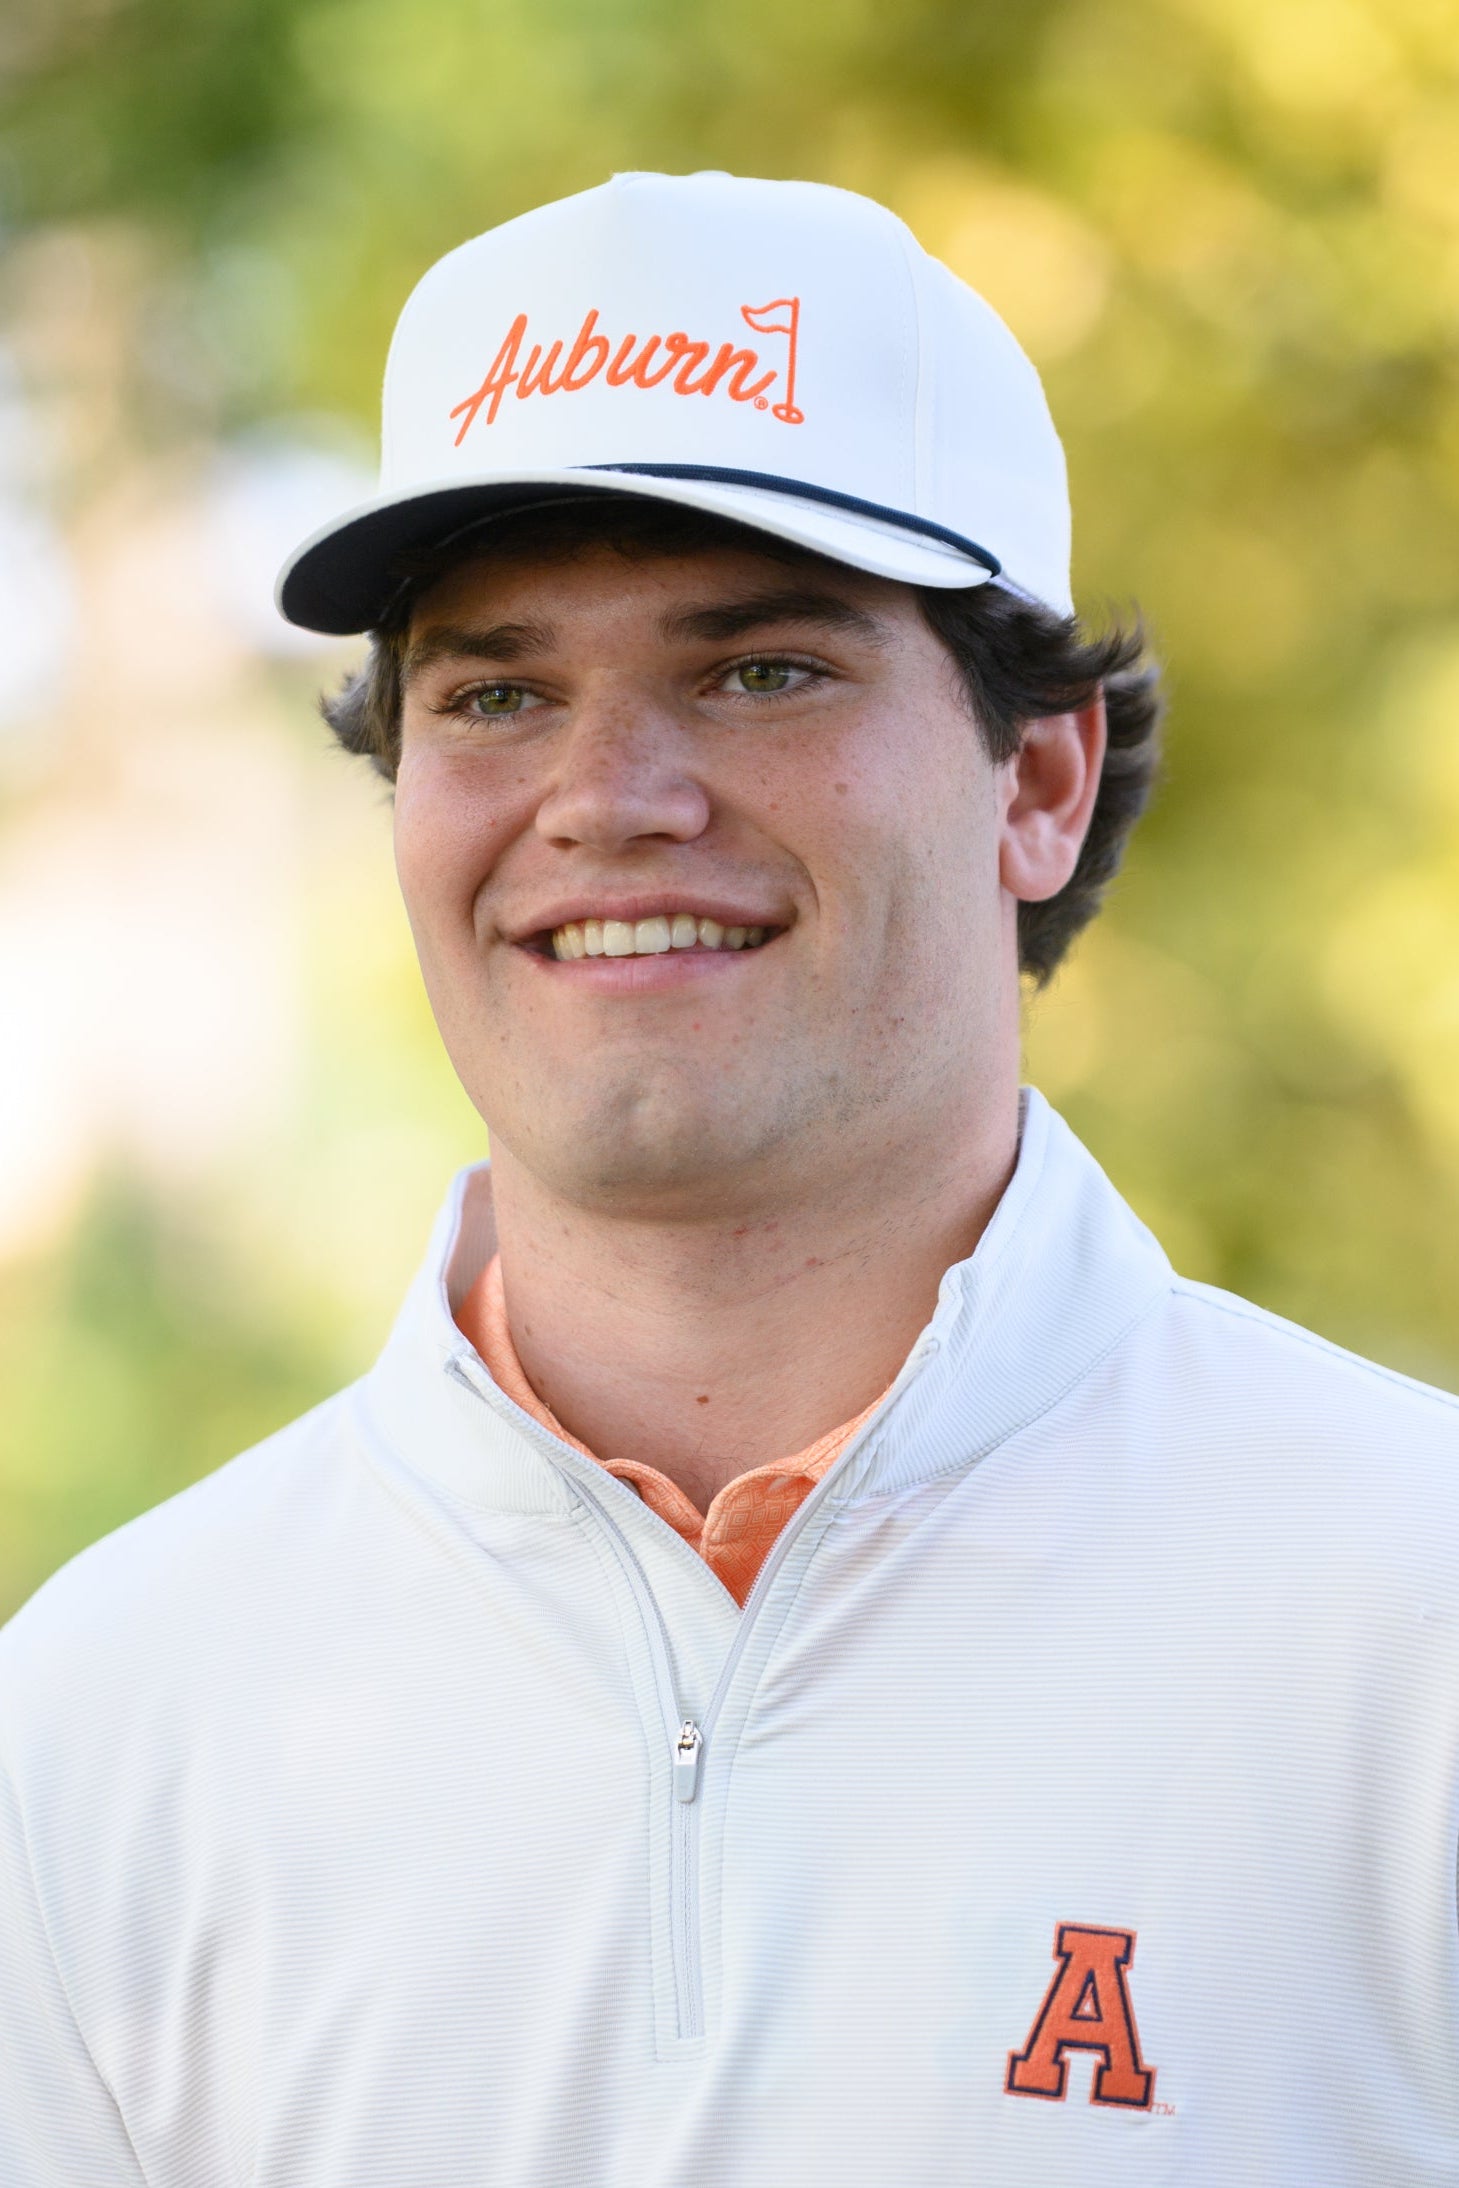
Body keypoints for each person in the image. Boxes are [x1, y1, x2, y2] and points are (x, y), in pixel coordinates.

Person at [3, 170, 1458, 2188]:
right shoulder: (95, 1721)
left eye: (760, 669)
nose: (611, 799)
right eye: (497, 693)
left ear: (1034, 778)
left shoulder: (1416, 1623)